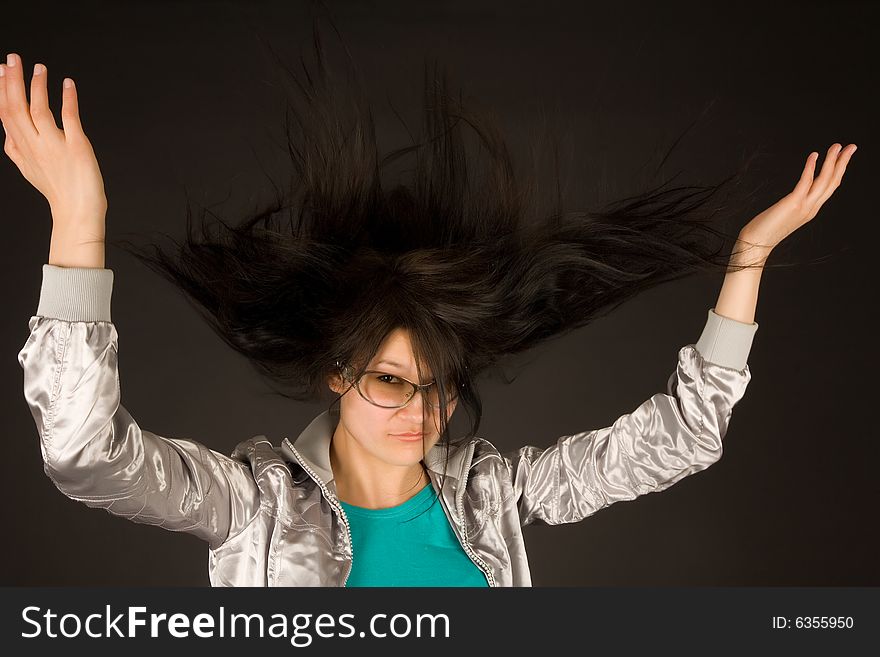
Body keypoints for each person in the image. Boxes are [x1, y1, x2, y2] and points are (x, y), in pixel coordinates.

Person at [4, 23, 855, 586]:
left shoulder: (495, 494)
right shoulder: (253, 502)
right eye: (390, 381)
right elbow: (87, 455)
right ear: (337, 373)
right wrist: (80, 218)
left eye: (439, 383)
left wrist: (748, 256)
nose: (421, 410)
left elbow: (682, 436)